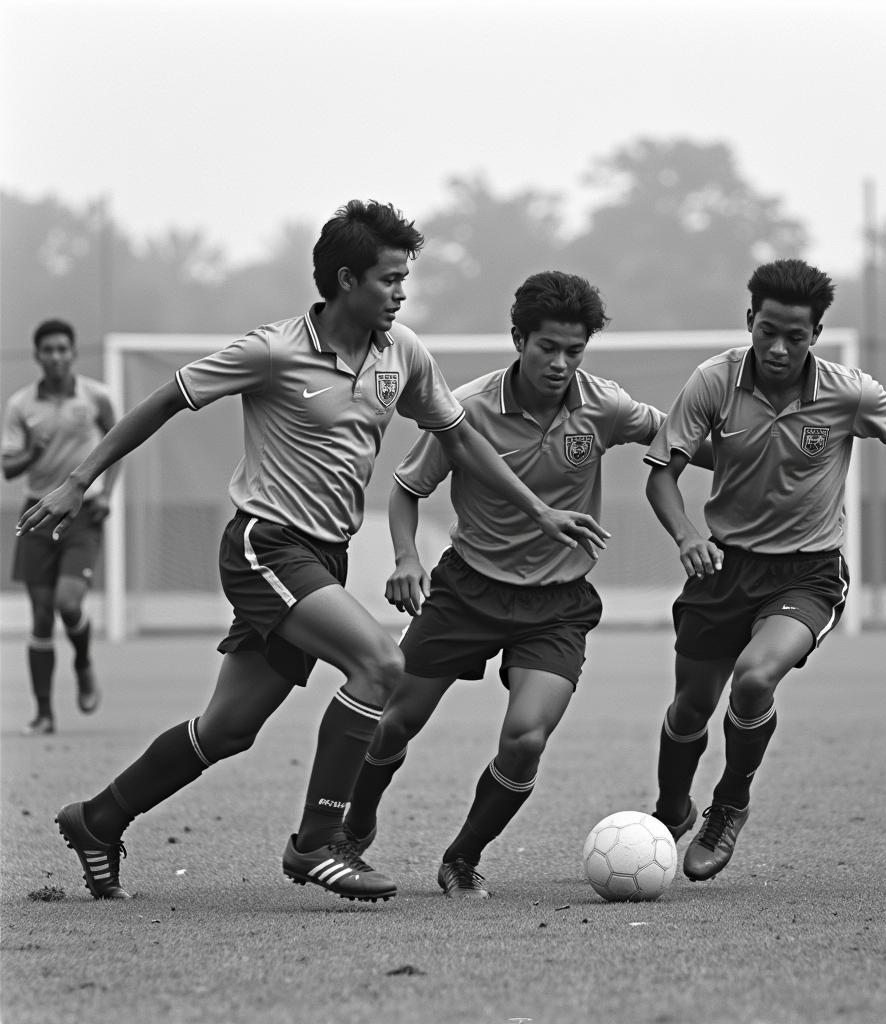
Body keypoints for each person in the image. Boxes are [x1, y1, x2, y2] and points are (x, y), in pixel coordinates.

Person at [18, 202, 607, 903]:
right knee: (380, 662)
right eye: (389, 279)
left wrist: (537, 507)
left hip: (320, 558)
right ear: (346, 279)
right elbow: (167, 400)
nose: (400, 293)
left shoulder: (403, 354)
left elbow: (460, 439)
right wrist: (78, 480)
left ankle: (98, 818)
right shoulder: (273, 349)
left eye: (405, 280)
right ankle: (319, 844)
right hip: (263, 544)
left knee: (228, 728)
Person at [342, 270, 712, 898]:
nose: (561, 363)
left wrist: (753, 455)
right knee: (393, 723)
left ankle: (461, 857)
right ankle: (356, 823)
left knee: (526, 738)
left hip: (557, 605)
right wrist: (406, 558)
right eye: (548, 348)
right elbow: (406, 489)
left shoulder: (606, 405)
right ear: (519, 339)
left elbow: (679, 438)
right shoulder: (468, 408)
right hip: (467, 590)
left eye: (575, 351)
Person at [643, 258, 886, 883]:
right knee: (690, 706)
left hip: (808, 574)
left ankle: (729, 805)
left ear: (816, 334)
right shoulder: (713, 382)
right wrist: (687, 534)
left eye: (795, 336)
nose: (778, 346)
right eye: (767, 330)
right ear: (750, 321)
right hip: (722, 568)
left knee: (753, 679)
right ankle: (670, 807)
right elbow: (662, 473)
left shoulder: (847, 391)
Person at [2, 320, 118, 735]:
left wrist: (106, 495)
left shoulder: (95, 397)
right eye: (47, 350)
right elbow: (8, 467)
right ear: (37, 356)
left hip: (82, 512)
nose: (55, 356)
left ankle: (83, 663)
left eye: (62, 349)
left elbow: (117, 442)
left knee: (69, 603)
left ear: (72, 353)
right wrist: (31, 451)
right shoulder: (21, 406)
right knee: (39, 615)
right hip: (36, 511)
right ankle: (44, 713)